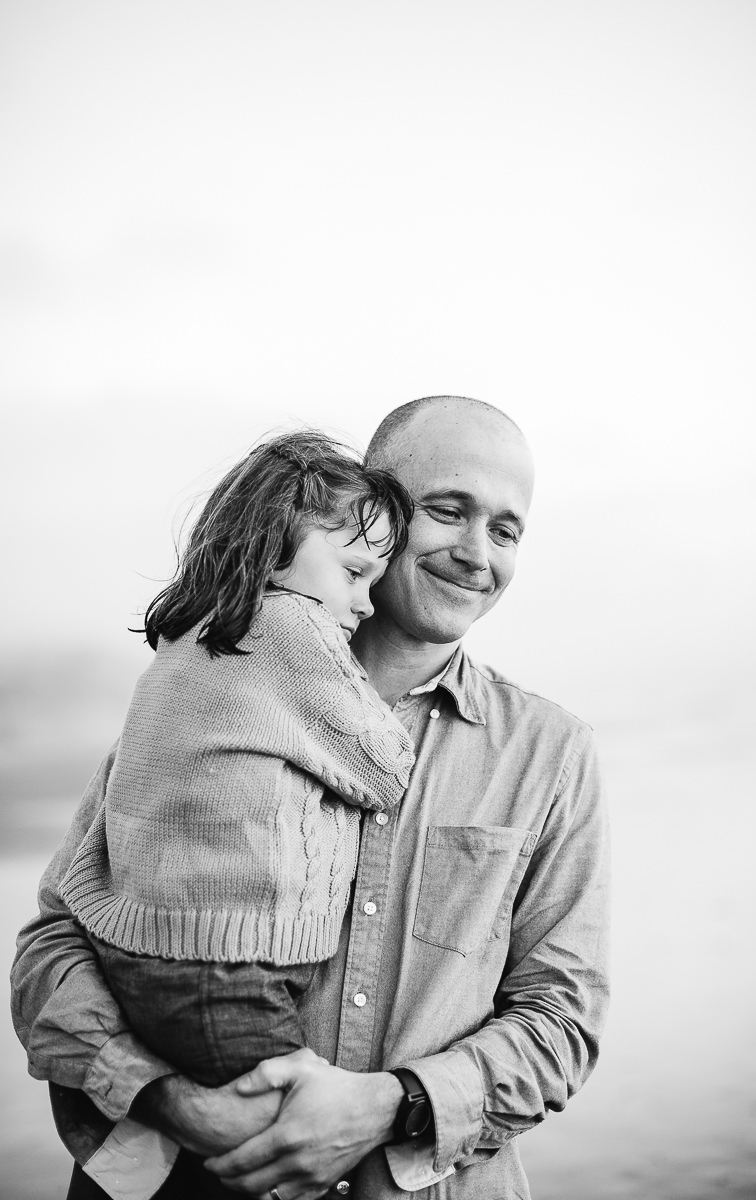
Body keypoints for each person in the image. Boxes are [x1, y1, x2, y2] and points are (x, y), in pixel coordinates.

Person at [12, 396, 611, 1200]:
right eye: (448, 510)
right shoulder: (218, 688)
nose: (477, 553)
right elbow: (54, 944)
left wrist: (386, 1107)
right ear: (376, 511)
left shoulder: (552, 753)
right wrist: (172, 1100)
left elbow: (563, 1024)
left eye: (506, 530)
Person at [58, 429, 416, 1091]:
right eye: (355, 572)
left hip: (139, 955)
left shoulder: (186, 642)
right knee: (283, 1142)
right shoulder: (291, 625)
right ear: (275, 549)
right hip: (227, 969)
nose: (366, 604)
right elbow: (384, 768)